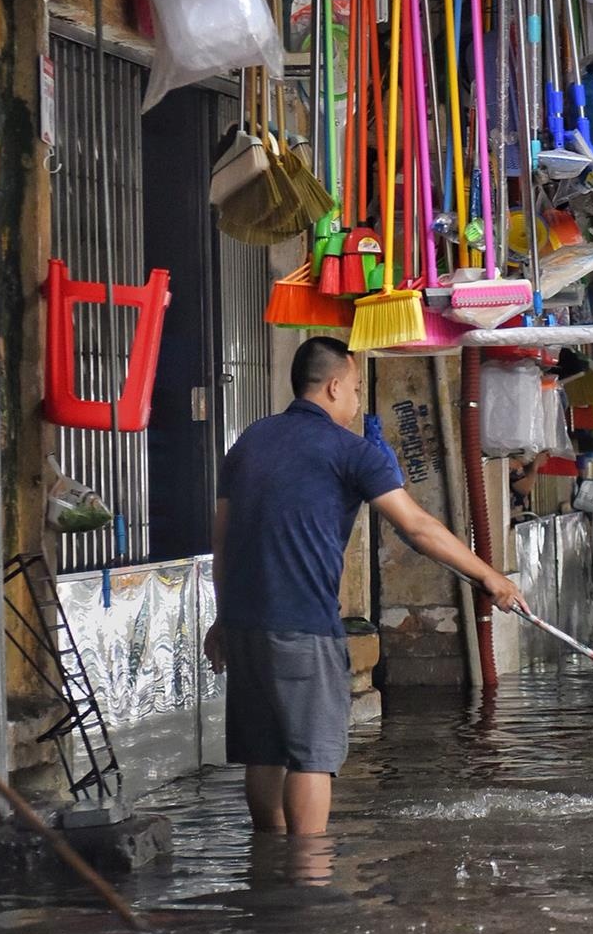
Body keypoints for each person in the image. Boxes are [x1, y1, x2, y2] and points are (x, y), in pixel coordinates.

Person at [205, 336, 525, 837]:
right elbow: (417, 529)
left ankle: (266, 870)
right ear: (334, 387)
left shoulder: (250, 441)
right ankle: (308, 879)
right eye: (355, 389)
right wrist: (490, 576)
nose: (357, 403)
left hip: (244, 624)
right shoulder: (350, 451)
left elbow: (222, 538)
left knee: (263, 752)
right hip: (303, 626)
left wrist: (223, 619)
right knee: (311, 756)